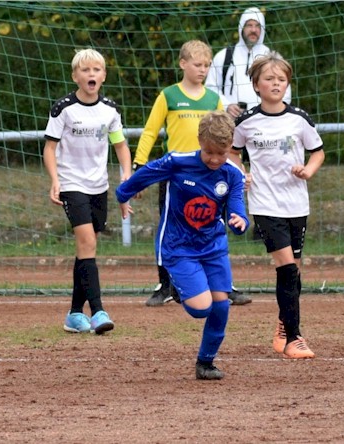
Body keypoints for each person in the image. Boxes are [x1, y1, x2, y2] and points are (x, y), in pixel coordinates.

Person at [116, 111, 249, 380]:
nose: (214, 159)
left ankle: (205, 363)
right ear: (200, 141)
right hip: (178, 246)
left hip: (213, 246)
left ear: (230, 146)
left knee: (221, 305)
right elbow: (145, 175)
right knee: (201, 309)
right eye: (209, 151)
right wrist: (123, 195)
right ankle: (176, 286)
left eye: (221, 153)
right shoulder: (177, 162)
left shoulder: (232, 174)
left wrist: (239, 221)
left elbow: (236, 208)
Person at [133, 39, 251, 307]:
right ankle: (165, 284)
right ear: (183, 64)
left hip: (211, 176)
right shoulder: (169, 96)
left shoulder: (214, 99)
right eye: (197, 64)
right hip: (176, 176)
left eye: (207, 65)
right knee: (168, 227)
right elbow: (150, 131)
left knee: (215, 227)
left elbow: (226, 138)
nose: (203, 70)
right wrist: (139, 166)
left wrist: (239, 168)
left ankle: (224, 286)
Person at [231, 51, 324, 359]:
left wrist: (307, 171)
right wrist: (240, 173)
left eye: (281, 79)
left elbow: (318, 152)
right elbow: (233, 153)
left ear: (288, 84)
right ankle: (294, 338)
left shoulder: (299, 119)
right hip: (265, 205)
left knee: (295, 269)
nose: (275, 84)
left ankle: (284, 324)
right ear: (256, 85)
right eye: (269, 79)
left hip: (297, 204)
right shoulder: (246, 122)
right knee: (286, 267)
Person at [43, 48, 132, 335]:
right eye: (85, 70)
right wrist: (55, 180)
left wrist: (126, 180)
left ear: (103, 76)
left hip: (99, 186)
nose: (91, 74)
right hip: (72, 184)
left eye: (96, 70)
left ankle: (72, 314)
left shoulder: (110, 110)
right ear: (75, 76)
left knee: (86, 249)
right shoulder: (63, 109)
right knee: (87, 245)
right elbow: (50, 147)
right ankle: (98, 311)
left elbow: (120, 145)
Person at [206, 6, 291, 119]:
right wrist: (226, 106)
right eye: (249, 25)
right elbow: (210, 88)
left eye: (257, 26)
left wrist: (272, 114)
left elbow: (285, 91)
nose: (253, 30)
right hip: (230, 122)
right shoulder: (224, 56)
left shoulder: (273, 58)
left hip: (264, 121)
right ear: (241, 27)